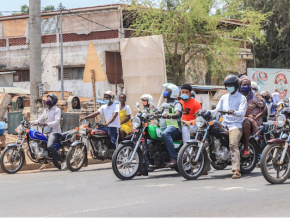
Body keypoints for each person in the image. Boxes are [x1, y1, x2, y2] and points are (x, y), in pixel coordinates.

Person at [213, 74, 247, 179]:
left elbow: (242, 112)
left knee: (233, 144)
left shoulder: (242, 98)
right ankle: (204, 168)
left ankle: (236, 170)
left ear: (236, 85)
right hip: (224, 124)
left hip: (236, 125)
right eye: (227, 85)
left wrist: (234, 112)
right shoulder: (223, 97)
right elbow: (217, 111)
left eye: (231, 85)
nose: (229, 87)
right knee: (207, 140)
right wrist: (205, 112)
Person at [30, 94, 66, 170]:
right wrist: (29, 122)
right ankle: (45, 159)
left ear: (54, 101)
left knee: (49, 146)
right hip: (46, 132)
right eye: (47, 98)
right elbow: (39, 120)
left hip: (55, 132)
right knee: (39, 143)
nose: (47, 100)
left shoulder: (57, 110)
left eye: (50, 99)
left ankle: (61, 161)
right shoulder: (46, 110)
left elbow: (56, 122)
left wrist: (46, 124)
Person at [239, 75, 266, 158]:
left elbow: (265, 108)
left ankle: (246, 149)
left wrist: (257, 116)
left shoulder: (255, 96)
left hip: (253, 119)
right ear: (239, 86)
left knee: (246, 122)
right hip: (240, 117)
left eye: (248, 84)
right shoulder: (238, 96)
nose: (246, 86)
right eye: (244, 84)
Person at [161, 83, 183, 168]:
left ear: (173, 93)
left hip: (175, 128)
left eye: (168, 91)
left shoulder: (176, 104)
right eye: (166, 90)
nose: (165, 92)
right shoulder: (164, 104)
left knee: (165, 134)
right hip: (163, 127)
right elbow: (157, 112)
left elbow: (178, 114)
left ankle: (174, 158)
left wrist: (169, 116)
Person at [137, 94, 154, 176]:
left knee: (145, 148)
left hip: (150, 131)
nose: (143, 102)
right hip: (143, 130)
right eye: (142, 101)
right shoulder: (141, 110)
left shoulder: (153, 109)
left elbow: (155, 117)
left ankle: (144, 168)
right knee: (141, 148)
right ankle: (142, 168)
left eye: (145, 100)